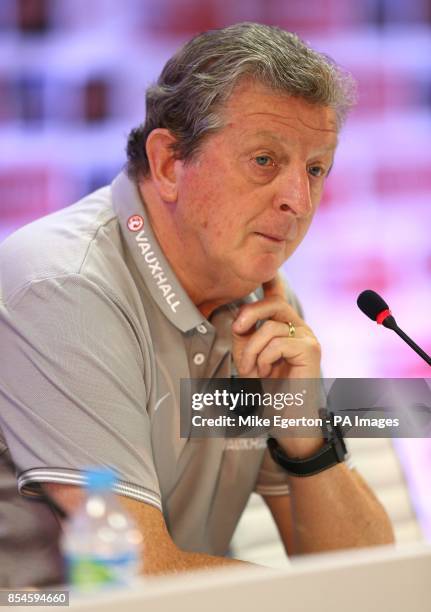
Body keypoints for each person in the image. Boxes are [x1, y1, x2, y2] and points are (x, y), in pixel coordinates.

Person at [0, 22, 394, 587]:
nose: (298, 200)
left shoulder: (264, 308)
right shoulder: (66, 286)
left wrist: (303, 430)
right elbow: (133, 577)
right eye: (264, 160)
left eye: (315, 169)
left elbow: (371, 578)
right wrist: (327, 602)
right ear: (167, 163)